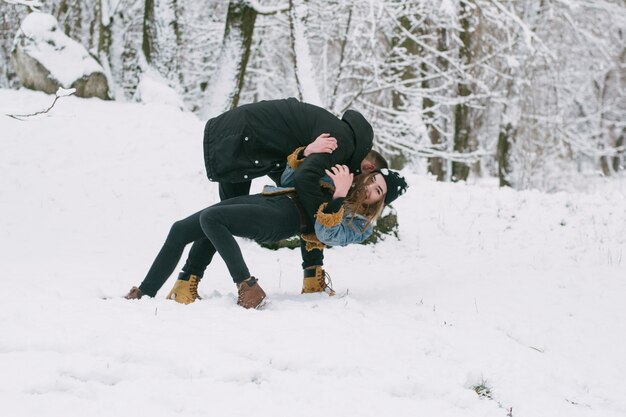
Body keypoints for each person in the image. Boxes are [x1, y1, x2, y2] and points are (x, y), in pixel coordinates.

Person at [124, 154, 408, 309]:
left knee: (213, 218)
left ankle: (247, 287)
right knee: (182, 228)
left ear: (379, 202)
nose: (370, 189)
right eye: (373, 181)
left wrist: (339, 195)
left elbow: (325, 233)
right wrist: (308, 155)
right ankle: (145, 294)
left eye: (378, 191)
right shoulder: (341, 175)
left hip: (282, 219)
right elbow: (290, 178)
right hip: (270, 198)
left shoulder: (359, 225)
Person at [169, 98, 379, 300]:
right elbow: (306, 181)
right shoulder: (342, 145)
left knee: (305, 199)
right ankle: (187, 281)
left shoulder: (343, 139)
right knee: (223, 215)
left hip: (258, 140)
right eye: (369, 181)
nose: (361, 186)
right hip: (242, 136)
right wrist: (322, 219)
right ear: (369, 167)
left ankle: (312, 278)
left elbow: (307, 186)